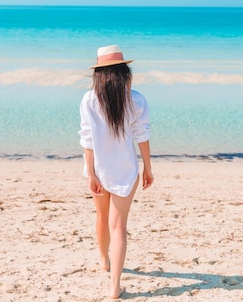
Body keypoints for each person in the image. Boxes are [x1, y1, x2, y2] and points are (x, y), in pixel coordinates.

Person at [79, 45, 153, 299]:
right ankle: (114, 287)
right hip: (126, 170)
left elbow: (87, 140)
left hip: (99, 169)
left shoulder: (89, 99)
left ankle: (103, 261)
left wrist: (90, 173)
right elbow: (142, 136)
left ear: (98, 74)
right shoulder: (136, 99)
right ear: (124, 73)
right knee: (118, 227)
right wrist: (148, 168)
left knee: (102, 218)